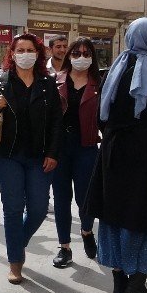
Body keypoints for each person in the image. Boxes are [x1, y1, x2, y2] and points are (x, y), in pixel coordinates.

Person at [84, 18, 147, 293]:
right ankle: (137, 285)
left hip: (113, 155)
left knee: (114, 217)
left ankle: (119, 286)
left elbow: (102, 116)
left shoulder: (113, 71)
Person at [0, 34, 63, 284]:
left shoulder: (47, 84)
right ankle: (15, 262)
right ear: (12, 54)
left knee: (38, 209)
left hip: (39, 157)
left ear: (37, 54)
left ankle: (19, 241)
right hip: (8, 157)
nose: (25, 54)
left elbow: (57, 123)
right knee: (13, 208)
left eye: (30, 49)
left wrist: (53, 153)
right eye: (20, 49)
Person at [51, 38, 102, 268]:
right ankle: (64, 247)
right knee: (62, 198)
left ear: (92, 57)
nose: (81, 57)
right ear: (69, 56)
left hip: (87, 147)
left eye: (86, 53)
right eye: (77, 53)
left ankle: (87, 230)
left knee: (85, 198)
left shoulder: (99, 84)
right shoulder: (55, 81)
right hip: (60, 149)